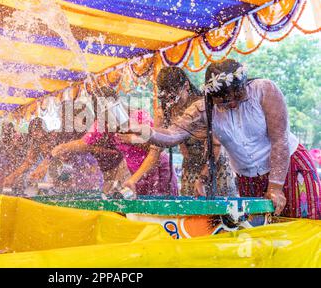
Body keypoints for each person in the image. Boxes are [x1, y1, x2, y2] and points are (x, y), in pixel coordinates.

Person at [118, 59, 320, 219]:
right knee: (264, 230)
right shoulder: (202, 108)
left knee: (304, 222)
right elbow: (172, 135)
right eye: (224, 100)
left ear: (244, 84)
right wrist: (144, 130)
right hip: (249, 177)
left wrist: (275, 187)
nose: (232, 103)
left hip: (289, 166)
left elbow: (279, 140)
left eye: (237, 96)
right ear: (212, 97)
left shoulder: (264, 90)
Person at [53, 86, 178, 196]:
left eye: (110, 111)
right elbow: (84, 143)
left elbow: (156, 149)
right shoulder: (103, 123)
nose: (109, 119)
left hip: (158, 171)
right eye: (104, 115)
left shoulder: (140, 116)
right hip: (136, 176)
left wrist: (134, 139)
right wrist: (62, 148)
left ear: (118, 103)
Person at [155, 66, 236, 196]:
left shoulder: (203, 106)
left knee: (222, 213)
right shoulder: (167, 109)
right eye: (168, 96)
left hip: (215, 165)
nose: (172, 100)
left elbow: (216, 144)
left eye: (175, 94)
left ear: (186, 85)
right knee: (190, 212)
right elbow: (159, 146)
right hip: (191, 165)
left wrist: (203, 177)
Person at [3, 118, 53, 195]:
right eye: (32, 131)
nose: (35, 133)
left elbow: (50, 163)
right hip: (43, 182)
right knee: (24, 179)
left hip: (57, 179)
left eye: (38, 129)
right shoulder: (35, 145)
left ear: (44, 130)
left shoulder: (52, 143)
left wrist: (40, 174)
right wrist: (12, 177)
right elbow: (27, 163)